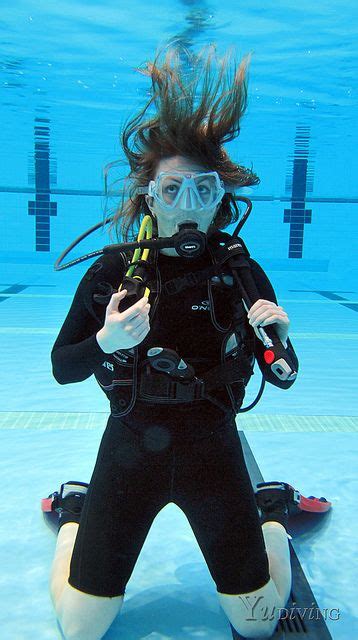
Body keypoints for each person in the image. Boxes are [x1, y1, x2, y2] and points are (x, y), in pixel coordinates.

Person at [47, 45, 299, 640]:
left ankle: (272, 521)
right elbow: (62, 367)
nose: (188, 207)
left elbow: (283, 372)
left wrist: (281, 344)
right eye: (172, 191)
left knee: (256, 625)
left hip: (214, 451)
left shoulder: (241, 272)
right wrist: (105, 341)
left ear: (222, 199)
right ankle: (74, 517)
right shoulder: (112, 275)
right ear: (147, 198)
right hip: (130, 450)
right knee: (82, 628)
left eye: (204, 190)